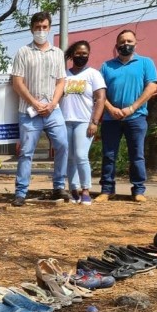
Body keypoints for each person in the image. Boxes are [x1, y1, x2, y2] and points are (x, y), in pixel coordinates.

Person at [10, 11, 68, 207]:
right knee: (26, 152)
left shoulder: (58, 53)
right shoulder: (23, 52)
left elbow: (61, 82)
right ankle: (21, 192)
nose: (41, 31)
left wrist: (52, 103)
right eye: (37, 27)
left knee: (62, 146)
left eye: (44, 27)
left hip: (53, 110)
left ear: (49, 28)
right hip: (29, 111)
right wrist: (34, 103)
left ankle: (59, 186)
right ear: (31, 29)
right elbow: (17, 82)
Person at [96, 29, 157, 202]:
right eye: (122, 42)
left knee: (136, 155)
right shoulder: (106, 66)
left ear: (135, 43)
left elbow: (152, 87)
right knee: (109, 155)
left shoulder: (146, 63)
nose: (126, 44)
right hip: (111, 119)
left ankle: (138, 190)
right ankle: (107, 190)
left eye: (129, 41)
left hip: (136, 118)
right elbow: (100, 92)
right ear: (116, 46)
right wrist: (110, 108)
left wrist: (132, 108)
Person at [60, 40, 106, 206]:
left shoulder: (93, 74)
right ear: (72, 55)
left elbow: (101, 99)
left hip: (84, 122)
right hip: (65, 121)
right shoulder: (64, 75)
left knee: (80, 155)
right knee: (70, 158)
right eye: (78, 54)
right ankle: (74, 190)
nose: (81, 56)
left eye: (84, 54)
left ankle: (86, 190)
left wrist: (94, 122)